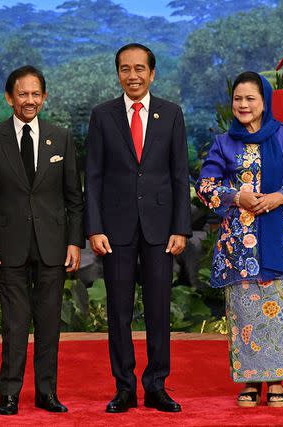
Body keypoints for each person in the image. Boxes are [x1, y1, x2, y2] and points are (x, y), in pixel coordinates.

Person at [196, 71, 283, 408]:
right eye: (238, 99)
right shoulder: (224, 142)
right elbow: (205, 185)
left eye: (251, 98)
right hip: (240, 245)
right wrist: (236, 197)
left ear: (264, 102)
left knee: (279, 313)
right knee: (245, 314)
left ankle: (276, 380)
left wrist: (279, 196)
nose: (243, 105)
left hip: (279, 239)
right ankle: (249, 381)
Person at [0, 65, 84, 415]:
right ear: (9, 98)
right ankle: (9, 394)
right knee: (15, 323)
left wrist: (74, 243)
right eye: (23, 94)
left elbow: (73, 198)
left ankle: (47, 393)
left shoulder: (60, 137)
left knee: (49, 324)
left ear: (44, 97)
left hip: (53, 246)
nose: (30, 100)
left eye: (36, 94)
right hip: (7, 246)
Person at [84, 43, 192, 413]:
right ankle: (124, 387)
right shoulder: (102, 116)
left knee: (159, 309)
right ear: (118, 74)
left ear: (153, 73)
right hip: (115, 230)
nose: (133, 75)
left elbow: (180, 175)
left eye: (140, 69)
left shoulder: (171, 114)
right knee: (119, 311)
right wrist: (94, 227)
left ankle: (157, 385)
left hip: (162, 230)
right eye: (125, 69)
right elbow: (93, 176)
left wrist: (181, 227)